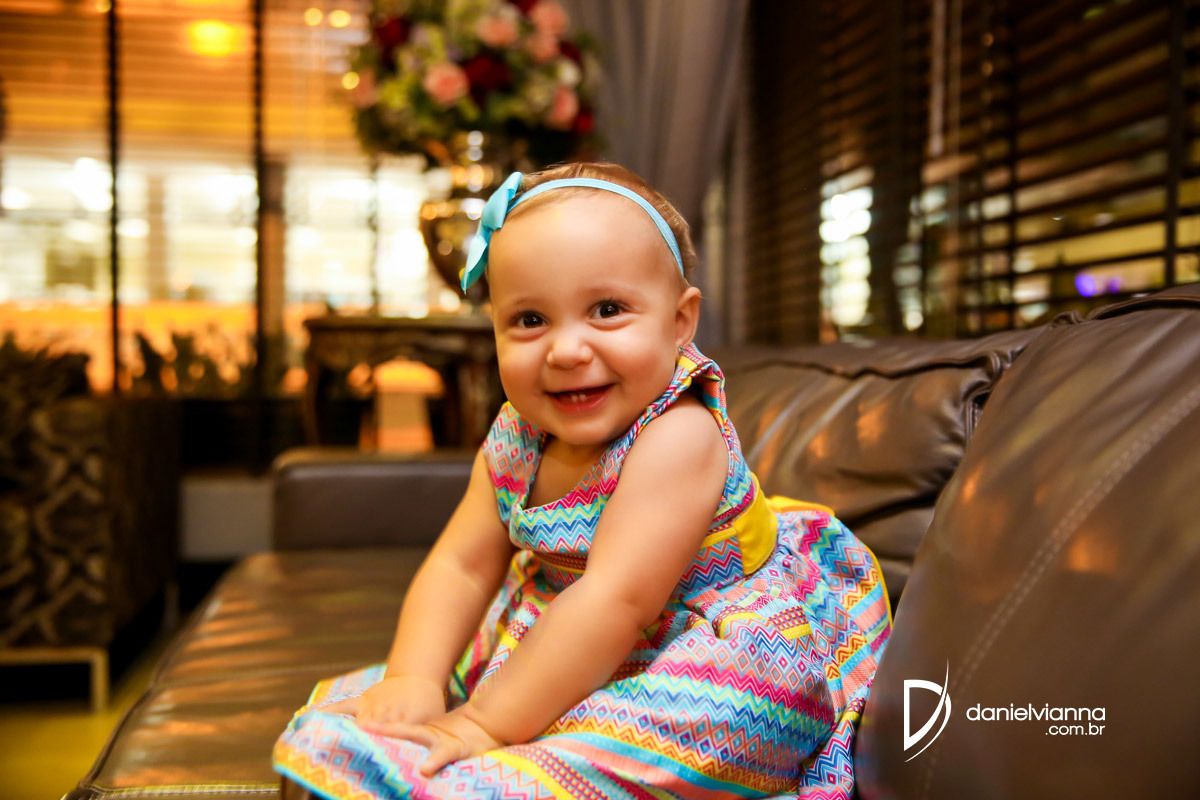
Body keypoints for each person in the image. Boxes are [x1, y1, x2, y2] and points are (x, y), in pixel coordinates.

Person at [273, 163, 892, 799]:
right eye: (530, 320)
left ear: (680, 322)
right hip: (563, 631)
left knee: (710, 721)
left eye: (607, 310)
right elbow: (461, 565)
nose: (566, 350)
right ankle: (450, 753)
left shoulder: (678, 433)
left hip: (694, 640)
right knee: (379, 708)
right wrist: (414, 677)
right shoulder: (516, 435)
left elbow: (616, 600)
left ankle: (513, 774)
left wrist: (483, 723)